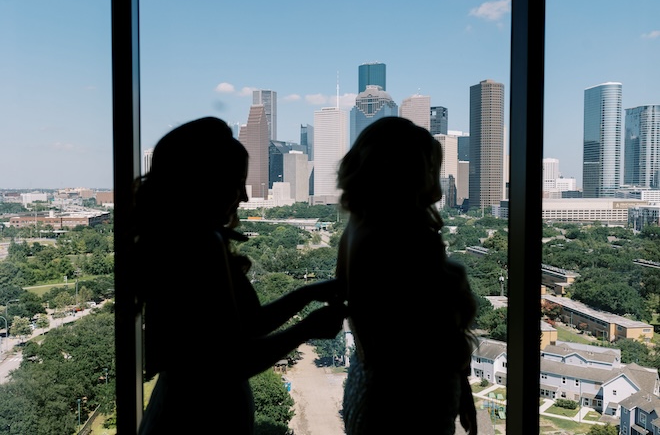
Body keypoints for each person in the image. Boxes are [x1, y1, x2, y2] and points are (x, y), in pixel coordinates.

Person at [131, 116, 347, 434]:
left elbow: (246, 325)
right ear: (203, 184)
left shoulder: (174, 241)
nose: (244, 198)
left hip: (179, 409)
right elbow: (231, 362)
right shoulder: (202, 243)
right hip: (200, 417)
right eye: (236, 184)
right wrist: (307, 329)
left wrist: (309, 293)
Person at [336, 116, 478, 435]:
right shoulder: (407, 239)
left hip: (369, 387)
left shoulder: (356, 229)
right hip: (412, 399)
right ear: (411, 172)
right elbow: (435, 334)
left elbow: (350, 305)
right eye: (432, 168)